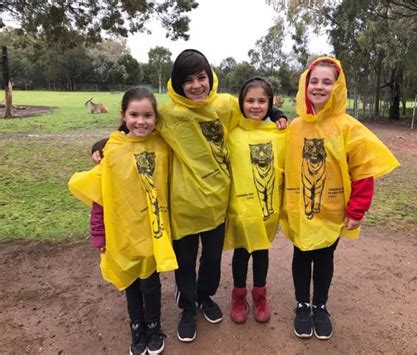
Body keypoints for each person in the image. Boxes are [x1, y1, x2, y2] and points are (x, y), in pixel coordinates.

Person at [90, 49, 287, 343]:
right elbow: (136, 128)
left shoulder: (225, 105)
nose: (196, 85)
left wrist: (276, 113)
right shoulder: (169, 114)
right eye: (188, 80)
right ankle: (187, 308)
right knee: (185, 261)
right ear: (177, 84)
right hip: (183, 205)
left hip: (217, 204)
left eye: (201, 77)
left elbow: (253, 105)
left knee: (210, 261)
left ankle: (204, 297)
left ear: (210, 77)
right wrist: (101, 144)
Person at [281, 57, 399, 340]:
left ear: (338, 87)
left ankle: (320, 306)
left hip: (333, 211)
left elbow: (363, 170)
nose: (319, 87)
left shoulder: (348, 127)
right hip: (300, 209)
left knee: (323, 258)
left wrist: (357, 209)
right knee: (301, 255)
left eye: (327, 82)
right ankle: (302, 304)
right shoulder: (295, 127)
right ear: (304, 85)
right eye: (314, 81)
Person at [69, 87, 178, 355]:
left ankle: (154, 325)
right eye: (134, 115)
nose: (141, 121)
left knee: (151, 283)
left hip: (152, 232)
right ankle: (137, 327)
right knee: (131, 283)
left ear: (156, 117)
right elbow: (101, 197)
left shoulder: (163, 145)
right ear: (123, 115)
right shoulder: (112, 151)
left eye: (148, 115)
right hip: (123, 235)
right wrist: (99, 235)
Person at [224, 77, 286, 324]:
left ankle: (260, 294)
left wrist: (278, 115)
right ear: (241, 103)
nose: (256, 106)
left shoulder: (279, 133)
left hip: (266, 210)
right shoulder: (232, 132)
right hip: (241, 210)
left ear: (269, 103)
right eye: (250, 100)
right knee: (241, 253)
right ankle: (238, 296)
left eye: (262, 101)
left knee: (261, 253)